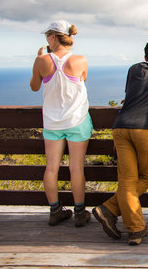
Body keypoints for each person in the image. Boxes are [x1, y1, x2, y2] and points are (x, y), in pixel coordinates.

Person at [92, 38, 148, 245]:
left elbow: (130, 94)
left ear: (144, 55)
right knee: (147, 176)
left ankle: (116, 214)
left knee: (127, 180)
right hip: (145, 128)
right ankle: (130, 225)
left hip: (120, 127)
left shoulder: (133, 69)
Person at [30, 20, 92, 227]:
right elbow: (83, 79)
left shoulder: (42, 61)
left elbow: (34, 87)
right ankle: (80, 213)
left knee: (51, 168)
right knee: (76, 168)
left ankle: (55, 210)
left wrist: (39, 59)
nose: (46, 39)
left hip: (52, 122)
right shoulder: (80, 60)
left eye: (47, 35)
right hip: (77, 120)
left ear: (53, 37)